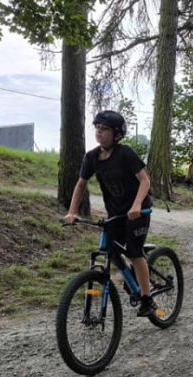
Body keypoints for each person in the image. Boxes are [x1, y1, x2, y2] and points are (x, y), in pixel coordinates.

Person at [64, 111, 155, 317]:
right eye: (97, 128)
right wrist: (72, 211)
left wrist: (137, 205)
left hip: (138, 210)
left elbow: (145, 181)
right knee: (109, 250)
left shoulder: (125, 153)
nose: (99, 132)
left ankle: (147, 299)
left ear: (116, 134)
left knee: (133, 252)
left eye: (104, 129)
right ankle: (132, 275)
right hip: (115, 213)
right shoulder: (92, 157)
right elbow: (81, 184)